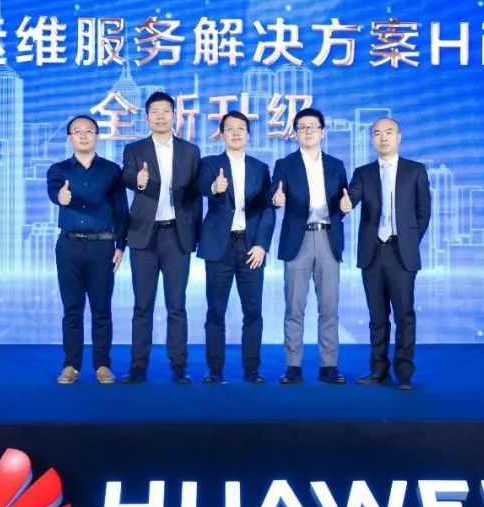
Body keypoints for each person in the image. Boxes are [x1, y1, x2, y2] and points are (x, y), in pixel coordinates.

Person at [342, 117, 431, 390]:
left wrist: (408, 242)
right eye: (377, 133)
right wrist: (345, 204)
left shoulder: (415, 170)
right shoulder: (363, 172)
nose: (383, 137)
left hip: (401, 254)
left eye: (388, 132)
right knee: (377, 317)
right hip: (372, 254)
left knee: (404, 316)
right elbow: (351, 198)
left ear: (398, 137)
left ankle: (404, 373)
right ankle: (378, 371)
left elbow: (423, 213)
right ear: (372, 139)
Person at [120, 92, 201, 384]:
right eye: (154, 111)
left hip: (176, 236)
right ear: (146, 117)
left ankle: (179, 366)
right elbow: (126, 176)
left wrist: (195, 235)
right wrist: (137, 181)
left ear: (174, 115)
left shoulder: (190, 151)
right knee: (142, 305)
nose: (160, 116)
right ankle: (137, 366)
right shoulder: (135, 149)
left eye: (166, 111)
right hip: (143, 236)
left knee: (176, 305)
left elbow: (195, 198)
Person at [46, 115, 128, 384]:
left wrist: (121, 245)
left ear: (97, 136)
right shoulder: (58, 170)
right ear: (69, 137)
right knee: (72, 309)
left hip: (102, 246)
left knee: (101, 309)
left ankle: (102, 365)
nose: (83, 135)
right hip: (68, 246)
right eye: (77, 131)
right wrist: (61, 197)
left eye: (89, 131)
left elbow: (121, 210)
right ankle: (71, 366)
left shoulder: (112, 170)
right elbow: (54, 191)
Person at [270, 108, 350, 385]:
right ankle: (293, 365)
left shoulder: (336, 165)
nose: (308, 131)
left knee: (329, 307)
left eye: (313, 126)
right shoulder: (285, 164)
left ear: (322, 132)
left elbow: (344, 201)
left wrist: (346, 207)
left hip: (328, 238)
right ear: (295, 134)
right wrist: (276, 200)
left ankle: (329, 365)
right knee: (294, 306)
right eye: (302, 127)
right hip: (298, 239)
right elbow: (274, 195)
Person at [197, 111, 275, 384]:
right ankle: (214, 370)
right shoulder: (209, 163)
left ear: (248, 134)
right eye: (230, 129)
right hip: (219, 246)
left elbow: (267, 209)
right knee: (215, 311)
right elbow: (199, 188)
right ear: (222, 134)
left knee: (253, 311)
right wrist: (214, 187)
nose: (236, 133)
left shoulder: (260, 168)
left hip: (250, 246)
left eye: (241, 128)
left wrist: (262, 244)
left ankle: (252, 369)